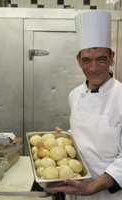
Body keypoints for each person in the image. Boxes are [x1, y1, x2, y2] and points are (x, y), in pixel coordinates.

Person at [46, 10, 122, 200]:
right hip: (76, 188)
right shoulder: (75, 95)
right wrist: (65, 138)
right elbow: (87, 137)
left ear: (111, 57)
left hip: (111, 194)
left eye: (101, 59)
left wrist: (93, 187)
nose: (93, 68)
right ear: (79, 60)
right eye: (87, 60)